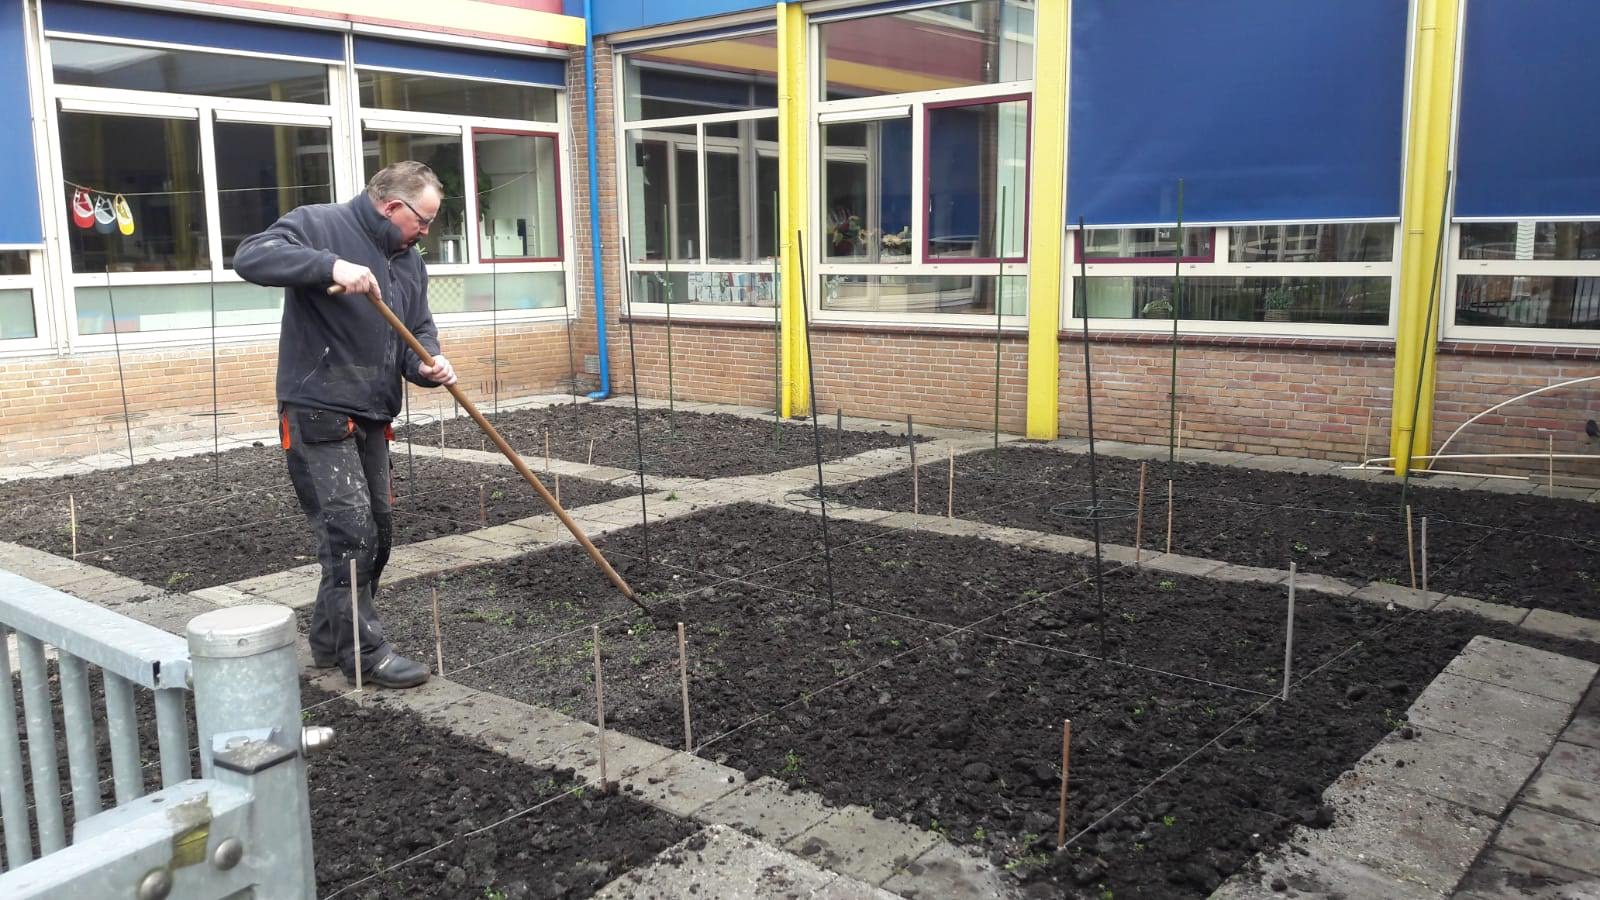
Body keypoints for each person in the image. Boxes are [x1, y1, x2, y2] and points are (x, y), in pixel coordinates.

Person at [235, 161, 458, 689]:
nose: (425, 231)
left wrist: (428, 362)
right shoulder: (318, 224)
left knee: (377, 533)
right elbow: (251, 256)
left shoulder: (408, 261)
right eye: (421, 220)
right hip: (318, 408)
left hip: (373, 413)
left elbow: (416, 328)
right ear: (390, 206)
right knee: (349, 531)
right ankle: (365, 653)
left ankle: (330, 640)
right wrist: (330, 267)